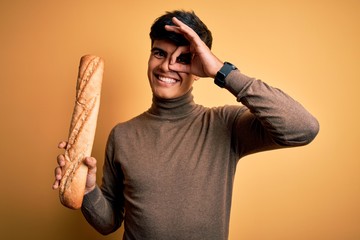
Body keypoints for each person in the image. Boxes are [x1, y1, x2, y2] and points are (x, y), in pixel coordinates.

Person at [53, 10, 319, 240]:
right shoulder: (122, 135)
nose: (167, 66)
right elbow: (108, 223)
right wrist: (88, 191)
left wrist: (222, 71)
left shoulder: (225, 125)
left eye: (183, 59)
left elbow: (303, 128)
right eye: (159, 53)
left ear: (199, 67)